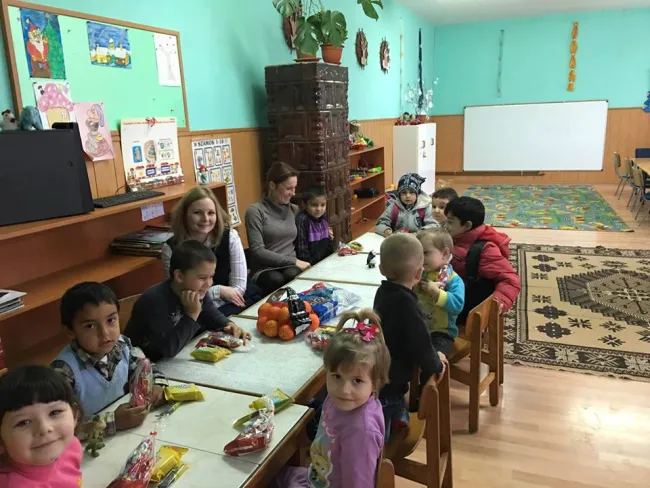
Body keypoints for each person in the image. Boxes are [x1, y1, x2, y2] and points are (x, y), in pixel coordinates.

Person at [273, 310, 390, 488]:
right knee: (271, 472)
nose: (344, 390)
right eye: (336, 376)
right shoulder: (336, 399)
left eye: (357, 381)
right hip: (316, 478)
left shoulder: (361, 432)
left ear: (376, 383)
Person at [51, 282, 167, 438]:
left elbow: (146, 366)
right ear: (70, 331)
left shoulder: (121, 345)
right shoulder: (62, 372)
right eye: (90, 326)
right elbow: (59, 427)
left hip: (126, 436)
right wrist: (114, 422)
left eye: (111, 320)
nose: (104, 333)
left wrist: (157, 384)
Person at [125, 240, 250, 361]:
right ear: (179, 276)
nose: (209, 283)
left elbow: (211, 314)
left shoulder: (196, 291)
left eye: (211, 276)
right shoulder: (154, 301)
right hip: (144, 364)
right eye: (202, 278)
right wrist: (191, 314)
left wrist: (229, 325)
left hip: (174, 360)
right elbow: (167, 350)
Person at [373, 234, 446, 439]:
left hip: (379, 368)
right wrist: (437, 364)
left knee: (390, 400)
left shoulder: (382, 292)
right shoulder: (408, 305)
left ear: (381, 269)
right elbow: (421, 345)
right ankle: (389, 429)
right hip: (392, 377)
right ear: (419, 273)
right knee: (390, 404)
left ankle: (397, 415)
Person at [162, 186, 262, 316]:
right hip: (194, 309)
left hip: (235, 302)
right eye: (197, 212)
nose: (205, 218)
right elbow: (179, 293)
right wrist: (217, 291)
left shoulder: (230, 237)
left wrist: (209, 301)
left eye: (211, 213)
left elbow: (238, 289)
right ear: (184, 215)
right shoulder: (170, 248)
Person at [0, 366, 82, 487]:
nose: (44, 428)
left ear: (74, 415)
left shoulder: (71, 447)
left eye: (55, 412)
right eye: (23, 422)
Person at [444, 196, 521, 324]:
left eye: (450, 222)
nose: (445, 226)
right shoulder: (453, 236)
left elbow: (510, 280)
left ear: (467, 225)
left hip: (462, 305)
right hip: (445, 292)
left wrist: (497, 304)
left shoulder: (485, 249)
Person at [245, 162, 310, 294]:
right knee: (276, 279)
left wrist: (322, 231)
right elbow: (258, 251)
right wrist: (294, 261)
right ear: (272, 185)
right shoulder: (255, 211)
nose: (293, 193)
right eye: (288, 188)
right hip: (265, 268)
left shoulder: (294, 209)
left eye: (294, 188)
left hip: (291, 266)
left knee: (293, 276)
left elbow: (304, 236)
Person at [415, 229, 465, 356]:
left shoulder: (454, 280)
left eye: (426, 253)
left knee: (436, 357)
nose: (420, 258)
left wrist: (436, 293)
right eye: (418, 253)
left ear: (445, 254)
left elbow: (457, 305)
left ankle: (438, 364)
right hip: (418, 326)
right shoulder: (418, 274)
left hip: (441, 332)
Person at [295, 186, 334, 266]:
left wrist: (331, 258)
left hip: (324, 264)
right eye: (314, 205)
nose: (319, 209)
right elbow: (301, 248)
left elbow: (328, 242)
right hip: (309, 265)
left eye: (322, 205)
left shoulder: (323, 218)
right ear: (304, 204)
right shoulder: (302, 220)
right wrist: (309, 265)